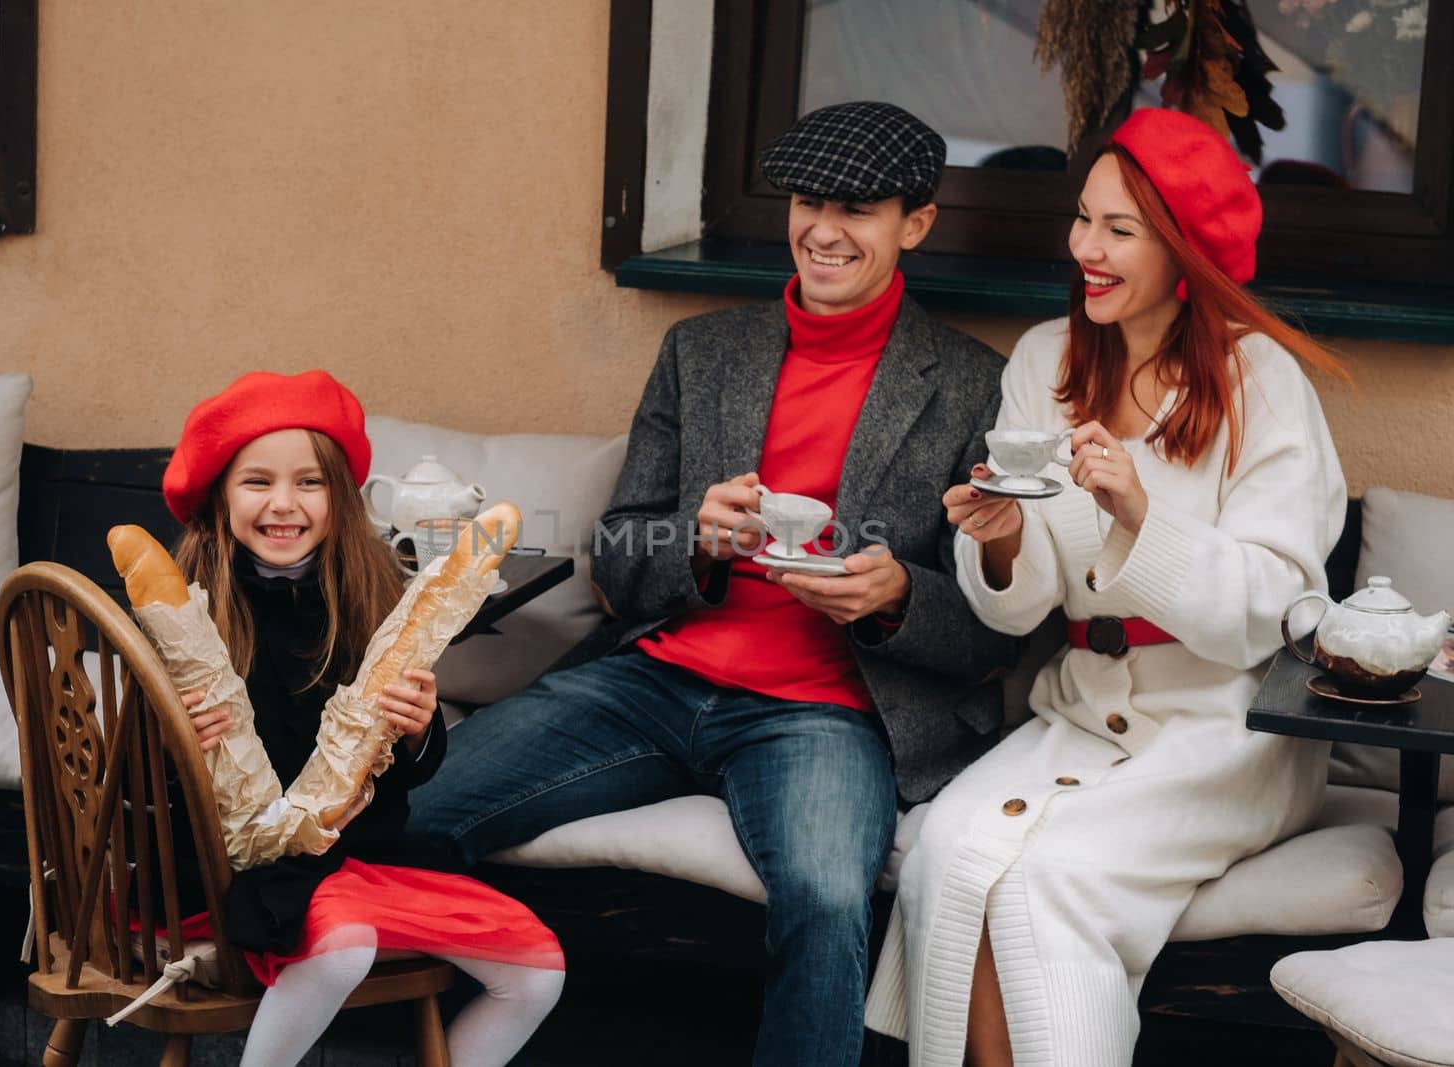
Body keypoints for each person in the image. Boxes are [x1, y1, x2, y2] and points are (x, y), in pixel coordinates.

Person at [406, 101, 1018, 1067]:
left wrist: (898, 595)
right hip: (651, 681)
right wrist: (692, 541)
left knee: (825, 899)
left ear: (918, 222)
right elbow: (616, 552)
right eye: (810, 201)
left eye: (858, 209)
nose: (824, 229)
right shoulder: (703, 352)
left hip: (823, 711)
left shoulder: (976, 385)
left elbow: (995, 628)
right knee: (417, 810)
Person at [862, 108, 1350, 1066]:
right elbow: (1019, 604)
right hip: (1079, 711)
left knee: (1045, 879)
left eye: (1119, 230)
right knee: (948, 857)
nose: (1085, 248)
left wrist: (1139, 514)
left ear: (1184, 250)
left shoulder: (1263, 382)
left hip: (1225, 731)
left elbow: (1274, 608)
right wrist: (998, 544)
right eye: (1082, 219)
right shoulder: (1047, 359)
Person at [158, 370, 564, 1067]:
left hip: (351, 864)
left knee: (537, 970)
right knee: (346, 943)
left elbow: (401, 773)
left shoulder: (371, 595)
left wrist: (416, 730)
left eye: (309, 482)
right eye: (257, 481)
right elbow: (135, 782)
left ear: (342, 498)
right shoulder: (186, 617)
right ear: (220, 495)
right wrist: (174, 747)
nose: (284, 504)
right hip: (220, 876)